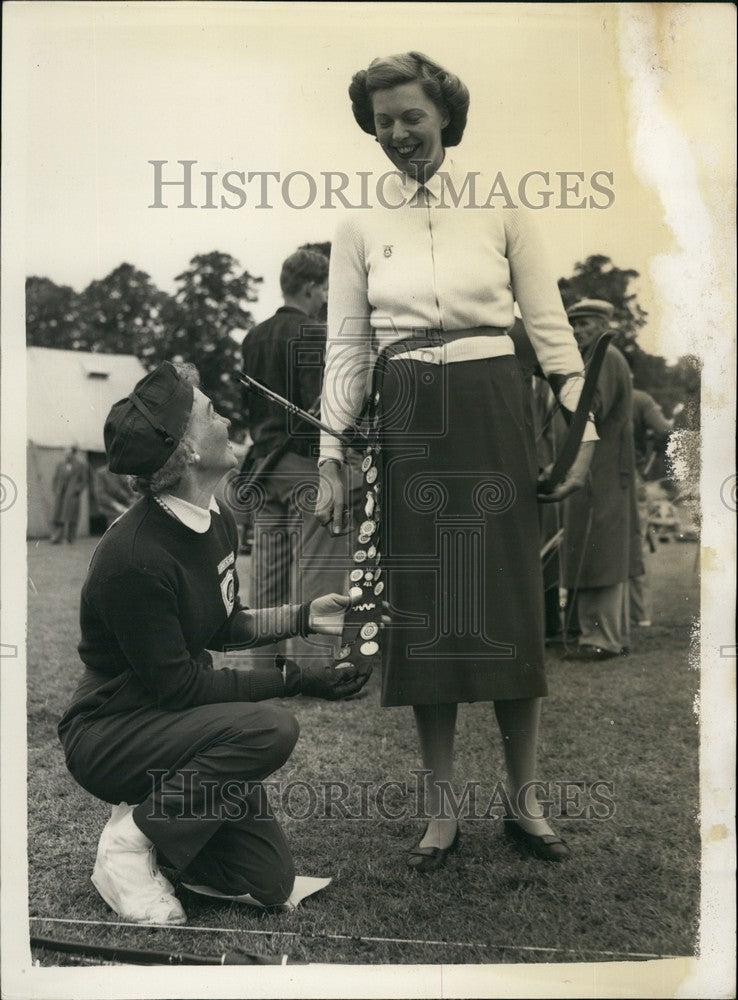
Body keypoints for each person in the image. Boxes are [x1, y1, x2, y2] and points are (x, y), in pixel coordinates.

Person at [316, 52, 598, 870]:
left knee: (507, 606)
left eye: (411, 114)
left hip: (492, 406)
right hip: (406, 416)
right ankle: (440, 813)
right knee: (429, 616)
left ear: (444, 113)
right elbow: (347, 345)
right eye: (382, 119)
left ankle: (524, 802)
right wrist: (332, 453)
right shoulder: (358, 225)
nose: (397, 132)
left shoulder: (503, 204)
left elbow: (549, 329)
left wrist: (582, 434)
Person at [57, 360, 371, 926]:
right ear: (188, 452)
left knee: (270, 884)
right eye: (210, 411)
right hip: (111, 733)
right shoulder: (135, 558)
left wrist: (303, 618)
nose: (225, 417)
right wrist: (299, 680)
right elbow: (180, 686)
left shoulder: (215, 515)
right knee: (268, 728)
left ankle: (163, 836)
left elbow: (226, 625)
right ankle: (128, 844)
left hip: (174, 728)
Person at [242, 250, 360, 669]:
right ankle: (317, 668)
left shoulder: (253, 336)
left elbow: (249, 408)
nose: (327, 296)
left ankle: (265, 666)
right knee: (319, 567)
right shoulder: (315, 333)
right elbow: (327, 410)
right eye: (325, 288)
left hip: (264, 466)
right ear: (310, 288)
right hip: (307, 465)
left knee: (268, 573)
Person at [561, 300, 638, 661]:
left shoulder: (604, 356)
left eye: (585, 324)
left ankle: (601, 638)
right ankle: (598, 634)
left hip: (601, 468)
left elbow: (591, 408)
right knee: (595, 548)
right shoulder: (599, 357)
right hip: (601, 467)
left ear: (604, 323)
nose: (578, 331)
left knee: (600, 549)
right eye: (574, 325)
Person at [629, 383, 675, 626]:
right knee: (637, 544)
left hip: (596, 475)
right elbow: (666, 430)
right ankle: (640, 615)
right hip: (633, 476)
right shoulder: (640, 398)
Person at [50, 446, 88, 543]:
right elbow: (55, 478)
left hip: (72, 495)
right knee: (58, 515)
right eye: (65, 453)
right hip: (61, 495)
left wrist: (77, 490)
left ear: (74, 454)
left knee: (72, 516)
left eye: (69, 453)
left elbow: (83, 480)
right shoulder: (60, 465)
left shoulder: (80, 465)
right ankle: (57, 537)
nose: (67, 455)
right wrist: (56, 489)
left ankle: (71, 538)